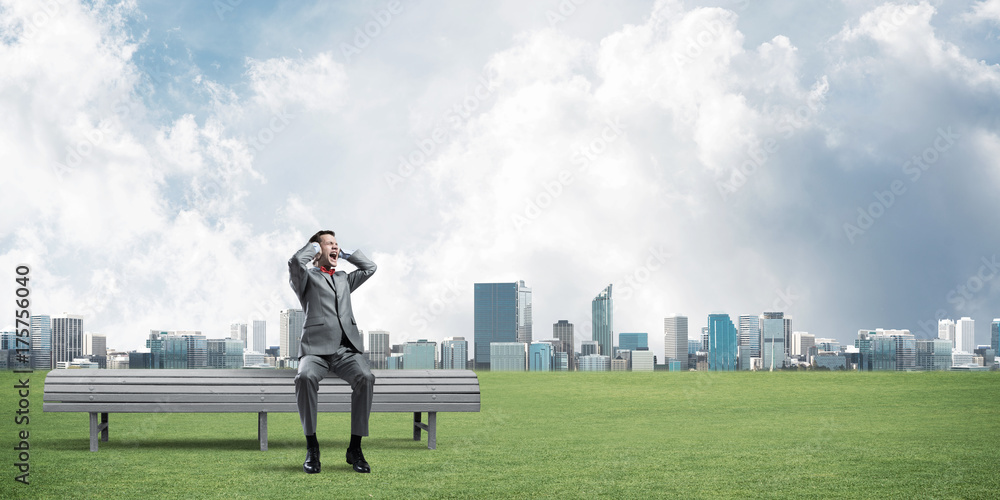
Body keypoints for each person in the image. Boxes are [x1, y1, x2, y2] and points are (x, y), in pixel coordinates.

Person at [288, 230, 377, 473]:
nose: (335, 247)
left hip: (346, 349)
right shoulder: (305, 278)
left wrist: (346, 255)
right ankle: (312, 447)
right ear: (318, 250)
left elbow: (370, 268)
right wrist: (314, 246)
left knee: (366, 378)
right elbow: (295, 262)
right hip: (315, 351)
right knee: (304, 377)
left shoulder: (343, 278)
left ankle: (355, 448)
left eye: (337, 244)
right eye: (329, 244)